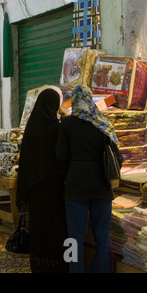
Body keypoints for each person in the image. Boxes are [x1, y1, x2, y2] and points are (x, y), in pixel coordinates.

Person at [56, 85, 123, 273]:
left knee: (74, 237)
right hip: (101, 186)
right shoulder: (102, 123)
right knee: (102, 237)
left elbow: (60, 155)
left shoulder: (67, 124)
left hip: (76, 186)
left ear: (75, 100)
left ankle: (74, 270)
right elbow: (117, 156)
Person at [16, 88, 69, 273]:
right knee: (56, 232)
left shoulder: (32, 127)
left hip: (36, 192)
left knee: (39, 232)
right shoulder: (56, 128)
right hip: (54, 190)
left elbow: (25, 162)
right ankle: (57, 266)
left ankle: (39, 266)